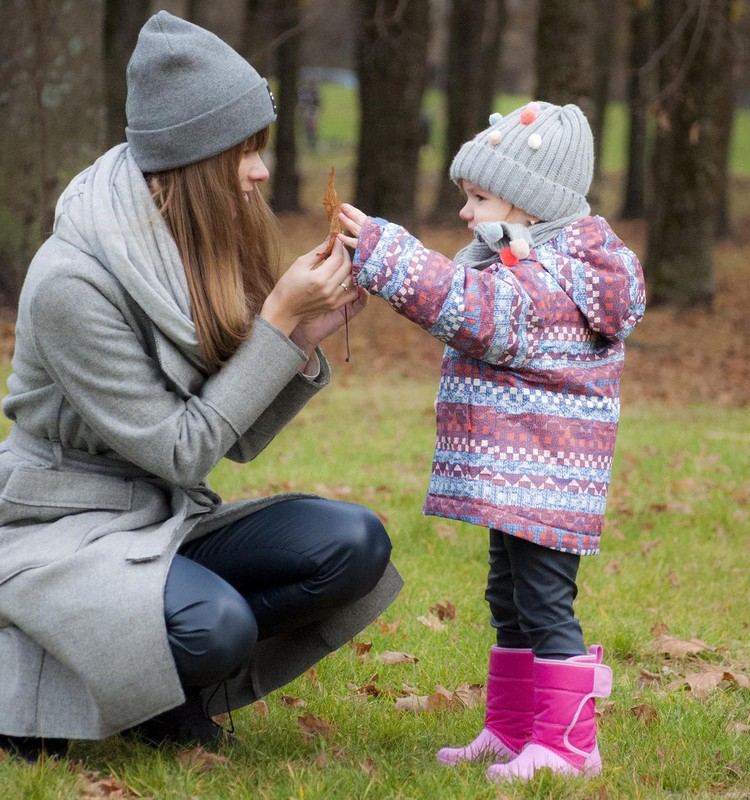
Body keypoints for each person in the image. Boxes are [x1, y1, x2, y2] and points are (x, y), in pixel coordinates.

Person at [0, 11, 401, 762]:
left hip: (162, 519)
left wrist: (303, 338)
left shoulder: (187, 239)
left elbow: (232, 436)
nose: (259, 170)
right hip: (60, 529)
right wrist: (277, 323)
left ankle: (148, 684)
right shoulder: (72, 280)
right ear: (192, 155)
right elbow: (182, 449)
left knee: (353, 544)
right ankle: (33, 692)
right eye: (244, 151)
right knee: (217, 627)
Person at [339, 101, 645, 782]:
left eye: (479, 198)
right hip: (521, 478)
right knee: (507, 600)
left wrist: (388, 255)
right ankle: (512, 730)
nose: (467, 214)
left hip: (548, 480)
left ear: (531, 207)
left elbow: (478, 314)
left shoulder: (554, 283)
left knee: (543, 605)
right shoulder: (527, 258)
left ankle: (570, 747)